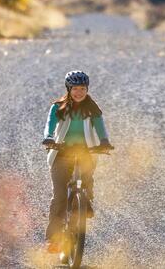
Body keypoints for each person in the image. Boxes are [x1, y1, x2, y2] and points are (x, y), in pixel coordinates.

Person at [42, 70, 113, 253]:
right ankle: (54, 239)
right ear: (69, 89)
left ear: (87, 89)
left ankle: (85, 202)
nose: (79, 92)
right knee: (59, 197)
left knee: (86, 181)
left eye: (82, 88)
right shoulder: (58, 107)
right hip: (62, 153)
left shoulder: (92, 108)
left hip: (85, 152)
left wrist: (104, 141)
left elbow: (100, 126)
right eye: (75, 89)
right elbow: (50, 124)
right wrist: (49, 138)